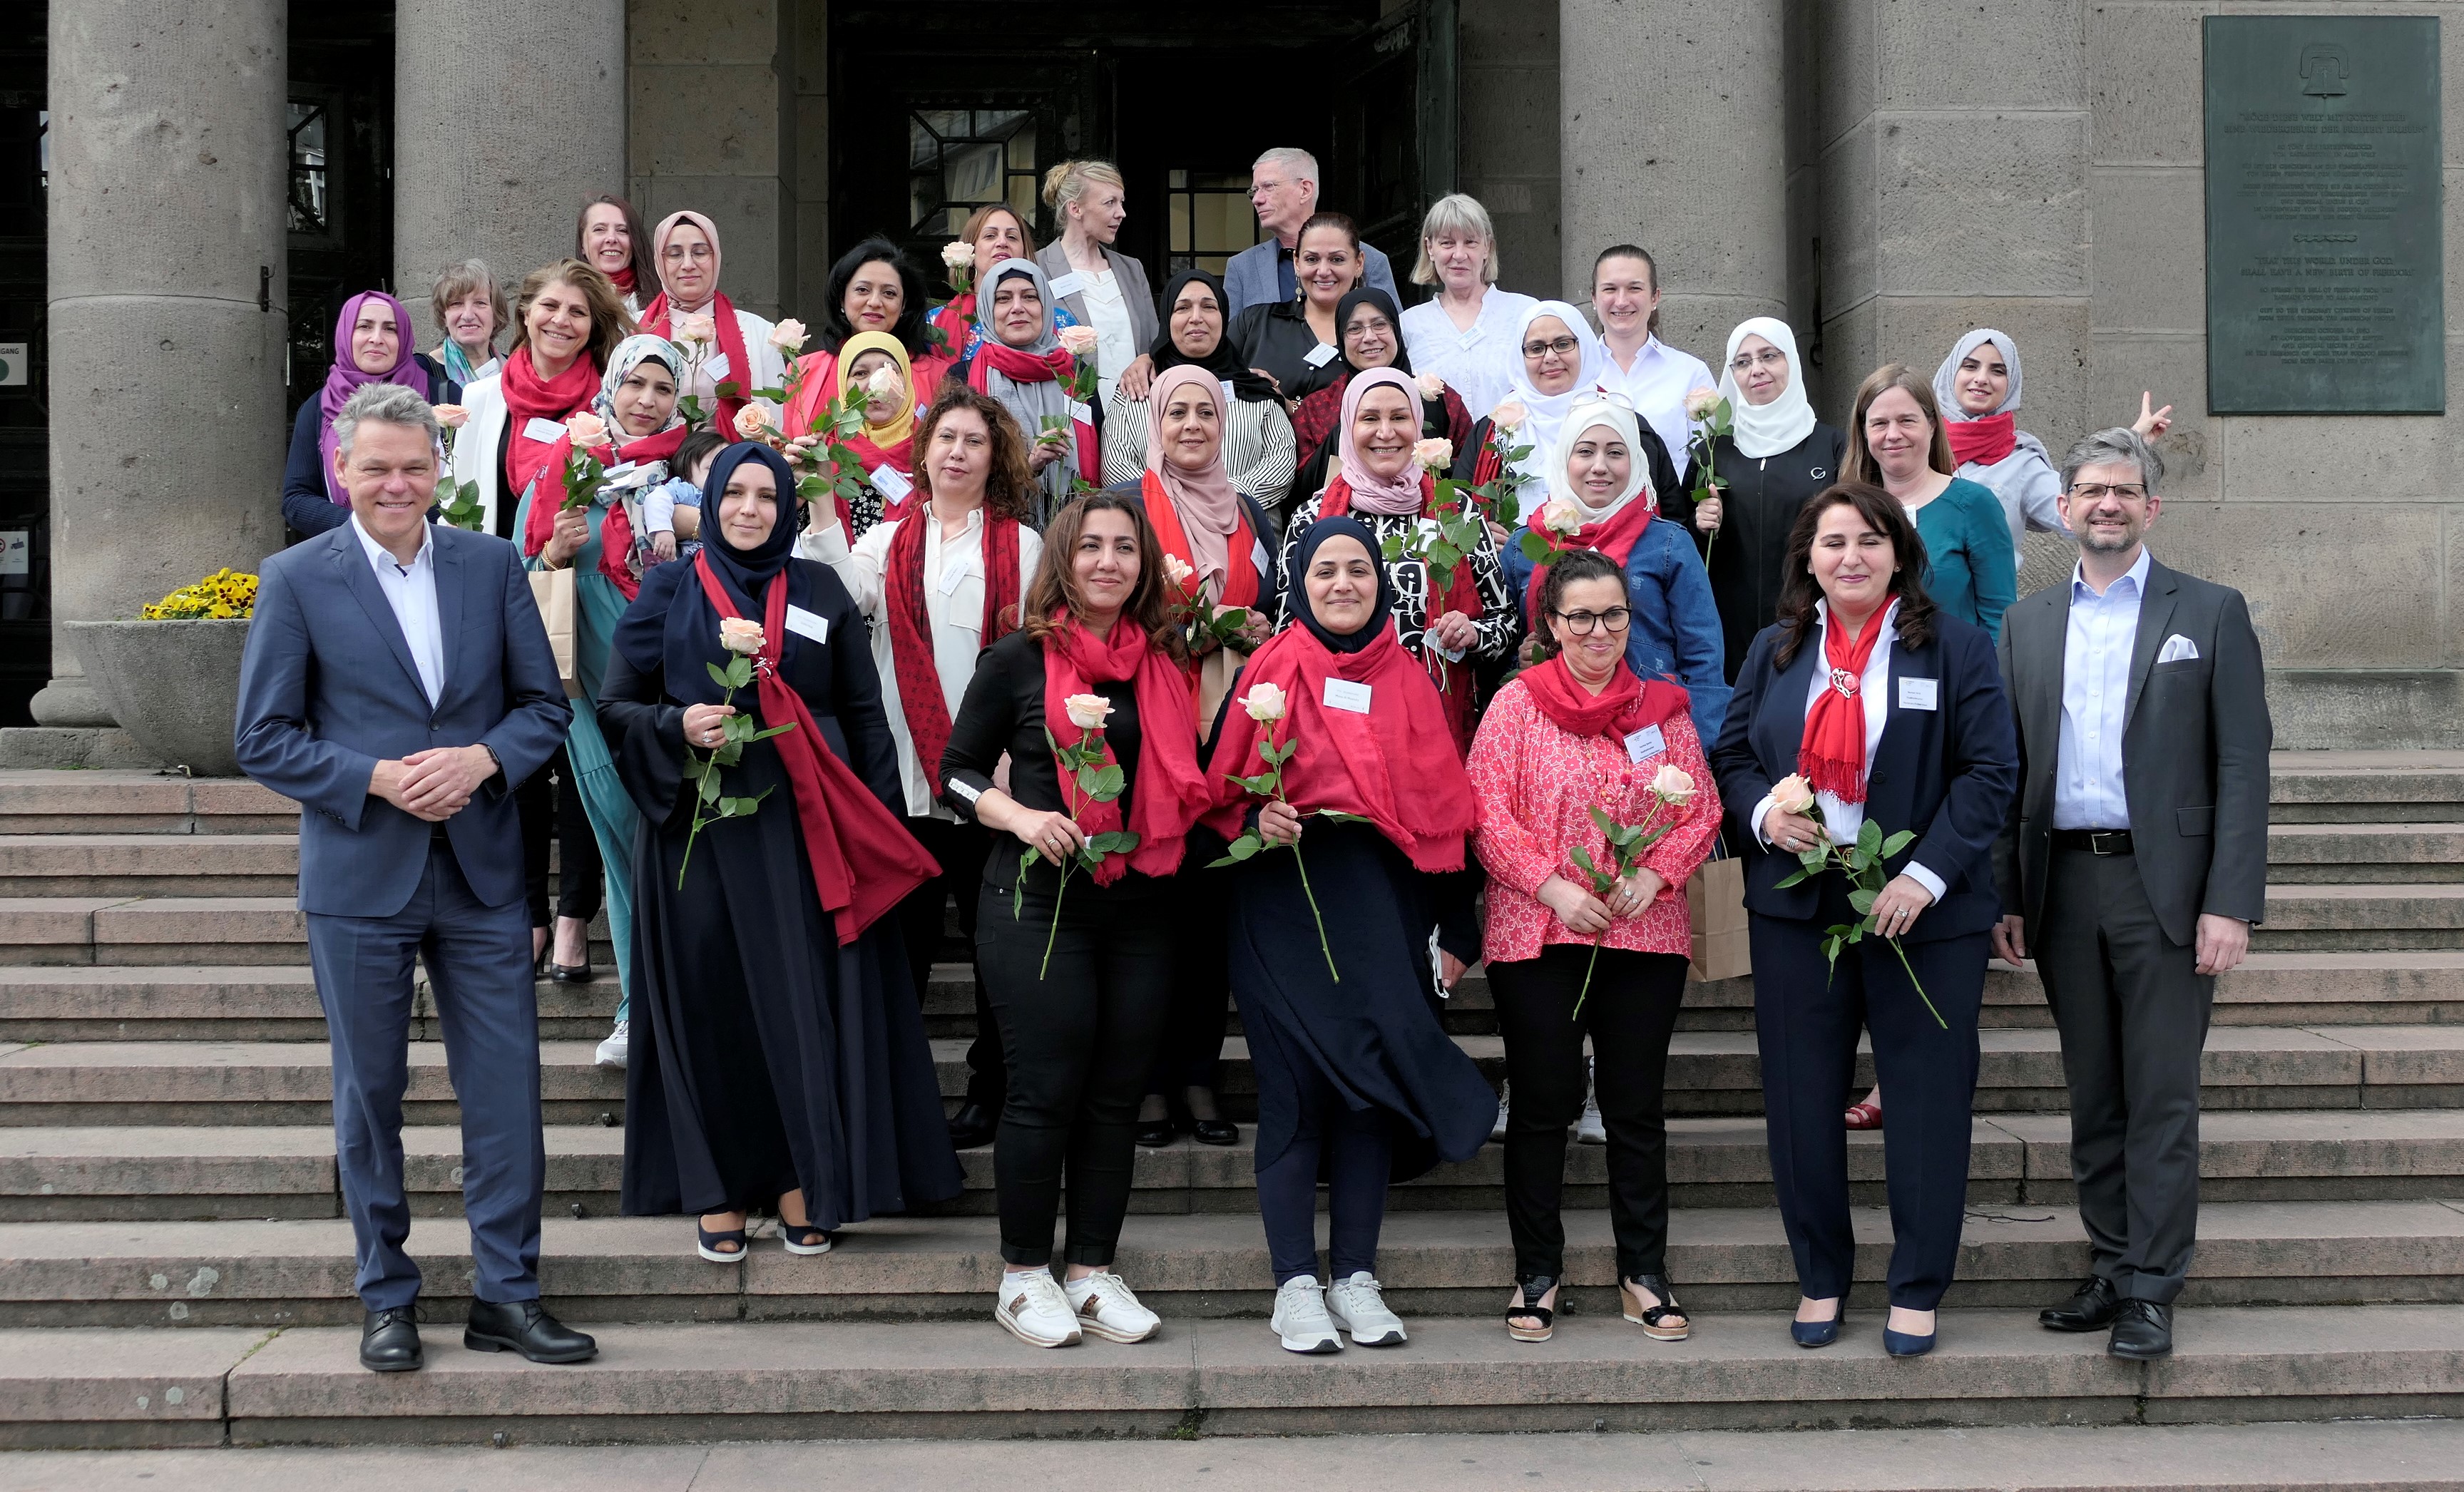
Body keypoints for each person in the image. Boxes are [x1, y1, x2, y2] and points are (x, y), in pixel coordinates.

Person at [235, 382, 589, 1373]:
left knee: (507, 1096)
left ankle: (506, 1296)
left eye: (414, 466)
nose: (397, 483)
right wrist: (377, 777)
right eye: (376, 467)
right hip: (358, 876)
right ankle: (386, 1297)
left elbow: (541, 709)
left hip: (481, 874)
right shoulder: (298, 578)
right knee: (369, 1096)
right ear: (341, 471)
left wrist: (483, 761)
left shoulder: (488, 565)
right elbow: (260, 738)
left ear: (440, 472)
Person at [600, 441, 961, 1262]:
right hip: (702, 829)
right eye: (736, 494)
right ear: (713, 500)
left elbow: (864, 715)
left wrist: (879, 829)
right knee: (712, 1005)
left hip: (805, 832)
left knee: (803, 1005)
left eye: (767, 495)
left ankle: (805, 1174)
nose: (751, 510)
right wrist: (675, 725)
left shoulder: (821, 588)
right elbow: (617, 703)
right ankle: (719, 1186)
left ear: (789, 506)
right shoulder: (668, 587)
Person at [1711, 481, 2017, 1357]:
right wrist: (1765, 818)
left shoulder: (1951, 649)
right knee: (1800, 1104)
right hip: (1796, 907)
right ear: (1807, 557)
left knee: (1925, 1102)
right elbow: (1731, 753)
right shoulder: (1774, 649)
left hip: (1921, 914)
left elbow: (1990, 771)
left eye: (1869, 541)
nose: (1851, 556)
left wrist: (1925, 874)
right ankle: (1820, 1276)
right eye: (1833, 541)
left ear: (1898, 555)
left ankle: (1917, 1284)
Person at [1995, 428, 2269, 1361]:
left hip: (2167, 889)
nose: (2104, 504)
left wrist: (2227, 902)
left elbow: (2239, 764)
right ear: (2063, 508)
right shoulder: (2026, 623)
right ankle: (2111, 1264)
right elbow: (2011, 768)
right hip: (2063, 883)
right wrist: (2008, 892)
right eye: (2087, 490)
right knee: (2093, 1094)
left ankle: (2151, 1285)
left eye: (2122, 490)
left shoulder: (2211, 611)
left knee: (2159, 1095)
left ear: (2151, 507)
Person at [1207, 516, 1494, 1354]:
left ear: (1379, 582)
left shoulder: (1408, 677)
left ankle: (1356, 1277)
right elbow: (1215, 793)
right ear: (1300, 582)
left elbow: (1442, 811)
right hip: (1281, 902)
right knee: (1294, 1092)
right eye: (1325, 569)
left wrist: (1453, 927)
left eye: (1358, 570)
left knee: (1369, 1095)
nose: (1342, 583)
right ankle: (1295, 1283)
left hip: (1381, 913)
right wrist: (1256, 812)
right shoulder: (1267, 667)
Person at [939, 491, 1208, 1349]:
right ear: (1063, 558)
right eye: (1089, 546)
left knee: (1115, 1094)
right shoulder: (1018, 658)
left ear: (1143, 566)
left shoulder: (1167, 660)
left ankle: (1091, 1270)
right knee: (1044, 1087)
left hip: (1141, 907)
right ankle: (1023, 1276)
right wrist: (1021, 818)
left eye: (1124, 548)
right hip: (1035, 902)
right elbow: (952, 772)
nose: (1106, 562)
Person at [1470, 547, 1721, 1345]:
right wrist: (1551, 886)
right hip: (1539, 932)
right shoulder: (1514, 707)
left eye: (1612, 614)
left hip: (1641, 934)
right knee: (1542, 1107)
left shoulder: (1661, 710)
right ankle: (1536, 1270)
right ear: (1549, 623)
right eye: (1579, 615)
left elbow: (1701, 806)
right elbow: (1485, 810)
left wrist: (1658, 873)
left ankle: (1641, 1271)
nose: (1598, 631)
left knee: (1634, 1110)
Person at [799, 382, 1045, 1155]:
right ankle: (896, 1100)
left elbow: (1035, 658)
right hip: (904, 779)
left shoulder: (1023, 545)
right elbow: (841, 591)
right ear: (925, 450)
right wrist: (817, 505)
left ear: (993, 455)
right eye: (947, 439)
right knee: (901, 950)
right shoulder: (885, 541)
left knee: (992, 949)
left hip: (991, 781)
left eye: (974, 441)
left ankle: (991, 1089)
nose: (958, 453)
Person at [1117, 364, 1282, 1151]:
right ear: (1155, 420)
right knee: (1152, 919)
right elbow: (1105, 605)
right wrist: (1183, 632)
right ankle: (1148, 1082)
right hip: (1151, 734)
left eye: (1204, 413)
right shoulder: (1124, 508)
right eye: (1175, 411)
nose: (1190, 424)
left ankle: (1197, 1075)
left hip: (1234, 738)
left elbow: (1280, 616)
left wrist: (1245, 633)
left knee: (1211, 920)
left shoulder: (1248, 510)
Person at [517, 334, 692, 1071]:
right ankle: (635, 1008)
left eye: (662, 387)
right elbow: (520, 587)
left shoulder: (691, 474)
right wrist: (553, 553)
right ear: (610, 388)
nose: (646, 399)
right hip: (591, 704)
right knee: (624, 850)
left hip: (677, 703)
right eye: (635, 384)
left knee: (678, 855)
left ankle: (686, 1006)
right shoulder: (564, 474)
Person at [1282, 367, 1513, 750]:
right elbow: (1287, 629)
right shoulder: (1312, 517)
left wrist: (1473, 634)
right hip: (1340, 722)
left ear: (1419, 426)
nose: (1386, 432)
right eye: (1369, 418)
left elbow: (1503, 621)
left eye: (1399, 417)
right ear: (1347, 427)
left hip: (1434, 718)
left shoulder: (1456, 513)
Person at [1498, 395, 1728, 751]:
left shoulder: (1668, 544)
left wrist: (1695, 753)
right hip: (1551, 740)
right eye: (1586, 451)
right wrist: (1522, 658)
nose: (1600, 466)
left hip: (1652, 736)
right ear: (1564, 459)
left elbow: (1704, 660)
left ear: (1636, 461)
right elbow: (1503, 647)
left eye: (1616, 452)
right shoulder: (1524, 547)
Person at [1666, 317, 1849, 681]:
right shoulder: (1713, 452)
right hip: (1726, 630)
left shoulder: (1830, 446)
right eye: (1743, 362)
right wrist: (1700, 525)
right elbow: (1679, 540)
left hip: (1811, 623)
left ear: (1791, 362)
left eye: (1769, 356)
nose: (1757, 370)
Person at [1453, 302, 1680, 526]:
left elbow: (1673, 518)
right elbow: (1455, 512)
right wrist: (1484, 536)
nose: (1550, 357)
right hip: (1511, 561)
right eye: (1536, 348)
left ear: (1585, 348)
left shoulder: (1625, 424)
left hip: (1609, 561)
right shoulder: (1493, 430)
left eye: (1562, 344)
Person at [450, 260, 630, 542]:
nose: (560, 320)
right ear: (525, 314)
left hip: (576, 574)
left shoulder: (611, 403)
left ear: (592, 327)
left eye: (577, 312)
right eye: (549, 306)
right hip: (494, 569)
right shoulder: (479, 396)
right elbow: (458, 497)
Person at [1844, 364, 2015, 643]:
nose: (1893, 434)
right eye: (1879, 423)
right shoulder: (1846, 511)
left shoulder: (1973, 505)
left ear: (1932, 425)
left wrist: (1985, 682)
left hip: (1952, 679)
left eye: (1907, 420)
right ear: (1864, 432)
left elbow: (2000, 616)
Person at [1102, 269, 1298, 507]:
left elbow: (1282, 461)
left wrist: (1219, 499)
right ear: (1167, 317)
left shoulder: (1255, 388)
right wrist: (1171, 505)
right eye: (1183, 308)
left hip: (1243, 528)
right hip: (1156, 532)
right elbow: (1116, 469)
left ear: (1224, 316)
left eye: (1208, 307)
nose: (1196, 317)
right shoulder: (1138, 387)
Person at [1286, 286, 1473, 523]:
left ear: (1396, 330)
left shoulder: (1439, 398)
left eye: (1380, 324)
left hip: (1434, 529)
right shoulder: (1317, 408)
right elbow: (1298, 488)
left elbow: (1471, 470)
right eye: (1354, 328)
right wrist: (1345, 435)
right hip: (1342, 536)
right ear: (1341, 340)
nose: (1369, 337)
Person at [283, 291, 456, 538]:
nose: (377, 338)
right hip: (348, 554)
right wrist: (363, 527)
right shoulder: (318, 407)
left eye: (390, 329)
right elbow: (296, 499)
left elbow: (470, 482)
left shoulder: (445, 397)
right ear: (346, 334)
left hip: (431, 548)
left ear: (404, 337)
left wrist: (406, 524)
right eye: (364, 326)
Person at [956, 258, 1098, 523]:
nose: (1018, 308)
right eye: (1003, 299)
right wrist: (1028, 465)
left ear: (1045, 306)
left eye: (1030, 297)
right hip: (994, 524)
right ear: (988, 308)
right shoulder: (962, 377)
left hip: (1072, 528)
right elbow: (956, 466)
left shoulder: (1076, 374)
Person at [634, 209, 785, 439]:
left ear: (716, 257)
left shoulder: (759, 332)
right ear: (659, 261)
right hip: (654, 468)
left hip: (734, 467)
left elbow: (778, 424)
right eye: (674, 254)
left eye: (700, 252)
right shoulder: (633, 330)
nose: (688, 264)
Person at [784, 237, 951, 443]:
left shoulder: (937, 374)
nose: (875, 302)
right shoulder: (804, 370)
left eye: (889, 293)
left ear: (903, 305)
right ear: (841, 299)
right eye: (862, 290)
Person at [1399, 193, 1537, 421]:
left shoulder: (1526, 313)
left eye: (1470, 242)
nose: (1459, 255)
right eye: (1447, 243)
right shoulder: (1408, 325)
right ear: (1430, 248)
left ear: (1487, 248)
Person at [1036, 160, 1157, 407]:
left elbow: (1154, 342)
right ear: (1075, 209)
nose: (1121, 212)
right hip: (1071, 417)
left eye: (1121, 202)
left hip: (1135, 416)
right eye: (1110, 202)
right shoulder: (1038, 269)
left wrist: (1147, 358)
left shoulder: (1132, 269)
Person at [1225, 146, 1400, 316]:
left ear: (1305, 190)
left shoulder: (1371, 260)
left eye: (1268, 187)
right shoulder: (1242, 268)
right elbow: (1230, 342)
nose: (1257, 199)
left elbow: (1391, 333)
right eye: (1254, 191)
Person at [1590, 246, 1717, 469]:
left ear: (1655, 297)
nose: (1621, 301)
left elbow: (1708, 463)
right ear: (1594, 298)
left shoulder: (1690, 373)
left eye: (1634, 288)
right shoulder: (1577, 375)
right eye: (1610, 289)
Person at [1229, 212, 1369, 404]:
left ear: (1358, 263)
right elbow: (1209, 387)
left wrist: (1290, 407)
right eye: (1312, 259)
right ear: (1297, 263)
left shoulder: (1374, 335)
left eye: (1337, 259)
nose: (1323, 271)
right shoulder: (1254, 323)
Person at [807, 330, 931, 541]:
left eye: (889, 371)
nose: (875, 384)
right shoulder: (824, 450)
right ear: (843, 385)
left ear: (907, 382)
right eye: (860, 374)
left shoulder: (934, 447)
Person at [930, 203, 1082, 362]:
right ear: (971, 251)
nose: (1002, 242)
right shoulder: (935, 323)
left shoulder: (1062, 323)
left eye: (1012, 237)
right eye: (990, 236)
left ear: (1024, 252)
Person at [428, 259, 507, 389]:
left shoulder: (516, 370)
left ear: (496, 314)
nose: (468, 316)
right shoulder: (424, 371)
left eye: (480, 303)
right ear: (444, 316)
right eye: (456, 304)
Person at [576, 194, 655, 316]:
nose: (611, 238)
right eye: (600, 229)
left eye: (622, 230)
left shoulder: (663, 301)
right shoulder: (566, 299)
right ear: (582, 245)